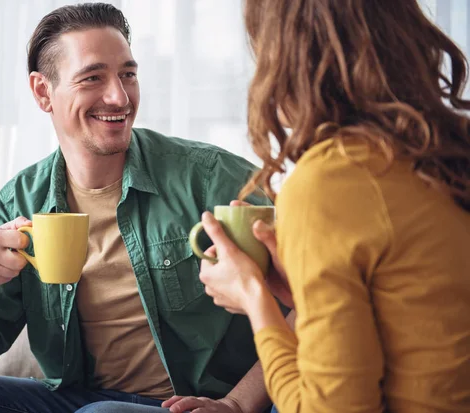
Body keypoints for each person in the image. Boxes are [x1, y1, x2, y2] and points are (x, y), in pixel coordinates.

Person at [0, 3, 289, 413]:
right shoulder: (19, 201)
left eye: (128, 74)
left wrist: (237, 403)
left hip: (196, 403)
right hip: (78, 400)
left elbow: (308, 305)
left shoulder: (211, 178)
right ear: (43, 91)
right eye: (93, 78)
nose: (120, 96)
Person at [198, 0, 470, 412]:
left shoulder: (330, 179)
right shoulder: (450, 146)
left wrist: (254, 296)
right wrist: (301, 291)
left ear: (286, 55)